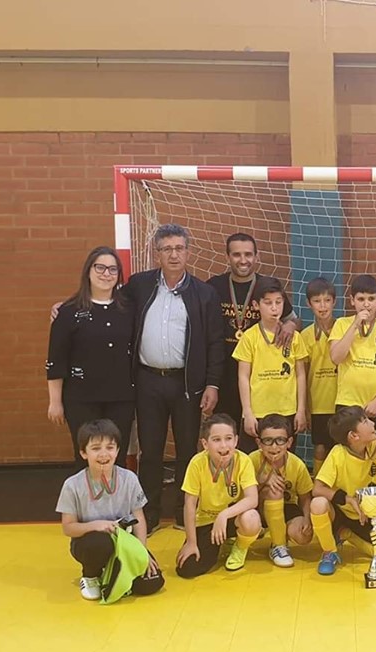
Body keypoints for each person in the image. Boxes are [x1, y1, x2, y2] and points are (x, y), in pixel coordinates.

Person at [125, 223, 226, 531]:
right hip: (148, 381)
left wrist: (211, 383)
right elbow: (105, 300)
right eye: (166, 249)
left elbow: (214, 342)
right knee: (150, 450)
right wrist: (68, 305)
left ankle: (185, 510)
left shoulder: (204, 293)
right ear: (157, 254)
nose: (173, 254)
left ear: (188, 252)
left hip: (187, 383)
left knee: (187, 449)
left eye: (179, 248)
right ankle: (151, 513)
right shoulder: (139, 285)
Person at [47, 247, 135, 469]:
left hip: (121, 398)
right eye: (100, 267)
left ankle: (117, 504)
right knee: (87, 458)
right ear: (88, 271)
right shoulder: (67, 312)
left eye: (113, 269)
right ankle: (88, 504)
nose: (107, 274)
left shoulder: (129, 309)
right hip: (81, 399)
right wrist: (55, 402)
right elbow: (56, 360)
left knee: (118, 457)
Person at [56, 419, 163, 600]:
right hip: (90, 542)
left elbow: (139, 518)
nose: (104, 454)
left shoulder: (129, 478)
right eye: (96, 448)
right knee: (99, 543)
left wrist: (142, 552)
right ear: (83, 452)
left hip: (125, 542)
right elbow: (68, 528)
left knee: (151, 583)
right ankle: (90, 575)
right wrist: (96, 525)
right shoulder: (72, 485)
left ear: (117, 451)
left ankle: (113, 572)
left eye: (110, 447)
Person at [207, 232, 298, 447]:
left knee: (257, 437)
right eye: (237, 254)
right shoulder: (213, 287)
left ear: (257, 256)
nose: (243, 260)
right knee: (225, 434)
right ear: (227, 257)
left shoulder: (266, 286)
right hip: (224, 372)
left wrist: (291, 325)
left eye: (248, 254)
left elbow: (293, 319)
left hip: (258, 377)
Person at [310, 406, 376, 576]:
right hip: (340, 512)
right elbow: (317, 489)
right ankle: (329, 552)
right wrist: (348, 499)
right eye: (366, 421)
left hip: (364, 516)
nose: (373, 423)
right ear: (354, 436)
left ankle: (347, 534)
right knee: (318, 504)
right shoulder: (338, 454)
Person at [175, 413, 261, 577]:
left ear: (236, 440)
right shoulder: (197, 463)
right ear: (205, 444)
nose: (224, 445)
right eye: (216, 440)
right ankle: (222, 544)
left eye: (228, 438)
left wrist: (224, 515)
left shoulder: (243, 460)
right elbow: (190, 504)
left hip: (232, 518)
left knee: (251, 518)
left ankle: (240, 547)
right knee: (187, 569)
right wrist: (192, 542)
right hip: (206, 522)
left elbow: (252, 498)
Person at [232, 277, 309, 451]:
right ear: (256, 305)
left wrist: (301, 410)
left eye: (278, 302)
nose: (274, 308)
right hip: (258, 412)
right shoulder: (249, 337)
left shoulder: (295, 338)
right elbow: (243, 376)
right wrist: (247, 412)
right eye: (268, 303)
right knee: (254, 463)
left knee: (284, 461)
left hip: (287, 410)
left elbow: (300, 375)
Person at [328, 274, 376, 442]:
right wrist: (354, 325)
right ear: (352, 300)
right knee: (347, 453)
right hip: (347, 403)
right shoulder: (341, 324)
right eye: (361, 299)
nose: (366, 304)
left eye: (371, 298)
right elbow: (336, 358)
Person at [248, 413, 314, 568]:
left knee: (304, 536)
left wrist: (307, 518)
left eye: (280, 440)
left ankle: (277, 536)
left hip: (286, 506)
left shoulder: (297, 465)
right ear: (259, 443)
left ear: (289, 442)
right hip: (256, 507)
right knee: (274, 489)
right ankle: (279, 545)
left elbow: (305, 497)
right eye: (268, 441)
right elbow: (240, 496)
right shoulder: (251, 460)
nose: (274, 447)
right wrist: (261, 482)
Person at [300, 277, 339, 475]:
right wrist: (306, 407)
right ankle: (319, 485)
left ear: (334, 301)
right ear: (308, 304)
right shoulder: (305, 336)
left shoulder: (344, 330)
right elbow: (303, 375)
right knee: (320, 447)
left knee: (342, 448)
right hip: (318, 403)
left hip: (342, 402)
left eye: (326, 300)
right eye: (317, 301)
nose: (322, 306)